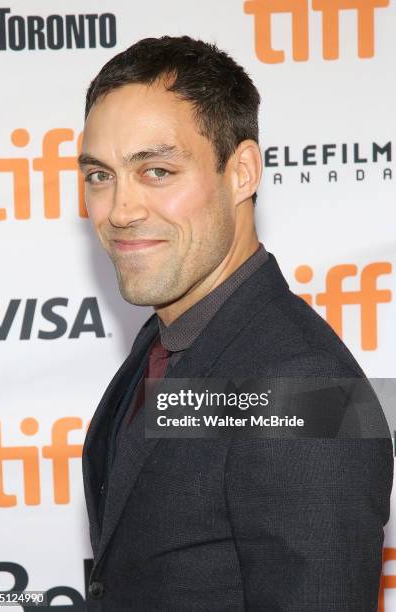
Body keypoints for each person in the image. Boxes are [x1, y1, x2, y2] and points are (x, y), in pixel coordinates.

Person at [79, 35, 393, 610]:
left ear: (242, 171)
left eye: (157, 171)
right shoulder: (169, 338)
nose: (119, 211)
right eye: (101, 175)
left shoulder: (307, 387)